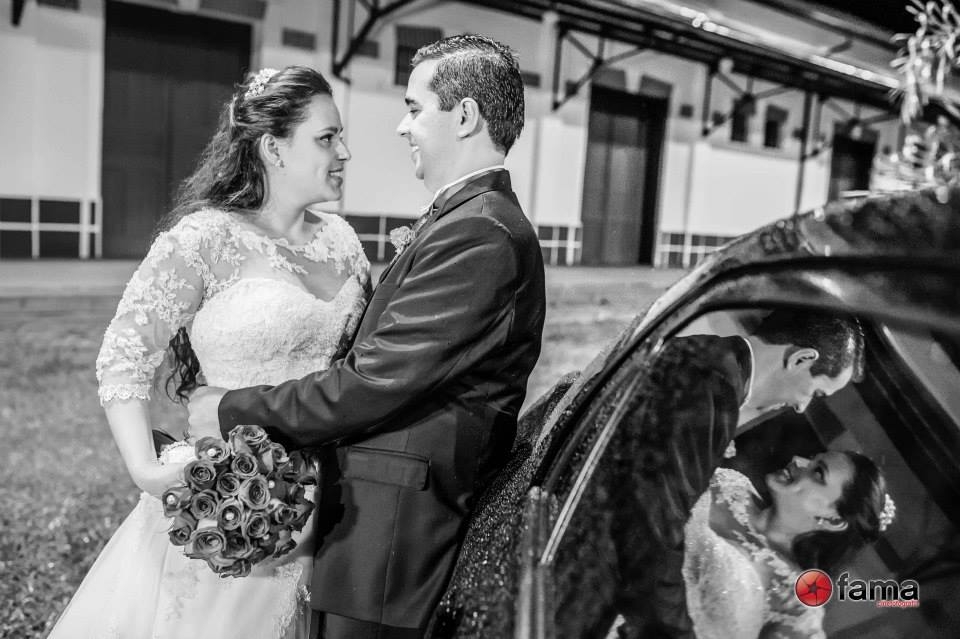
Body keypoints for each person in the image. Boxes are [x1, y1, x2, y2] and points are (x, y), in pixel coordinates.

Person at [187, 35, 546, 639]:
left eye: (414, 108)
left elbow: (373, 382)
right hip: (367, 524)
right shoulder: (466, 220)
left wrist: (229, 409)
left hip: (394, 538)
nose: (403, 127)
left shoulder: (481, 233)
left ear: (464, 116)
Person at [48, 66, 368, 639]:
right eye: (327, 138)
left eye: (341, 137)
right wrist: (147, 471)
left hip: (336, 503)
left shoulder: (343, 242)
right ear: (273, 148)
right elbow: (123, 356)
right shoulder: (205, 240)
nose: (344, 152)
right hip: (231, 496)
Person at [553, 308, 864, 638]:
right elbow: (652, 532)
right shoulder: (710, 392)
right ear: (801, 359)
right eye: (815, 392)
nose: (802, 407)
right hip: (570, 587)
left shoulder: (704, 356)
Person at [683, 452, 894, 638]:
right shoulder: (729, 485)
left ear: (833, 520)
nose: (797, 461)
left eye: (818, 473)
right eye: (811, 459)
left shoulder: (795, 599)